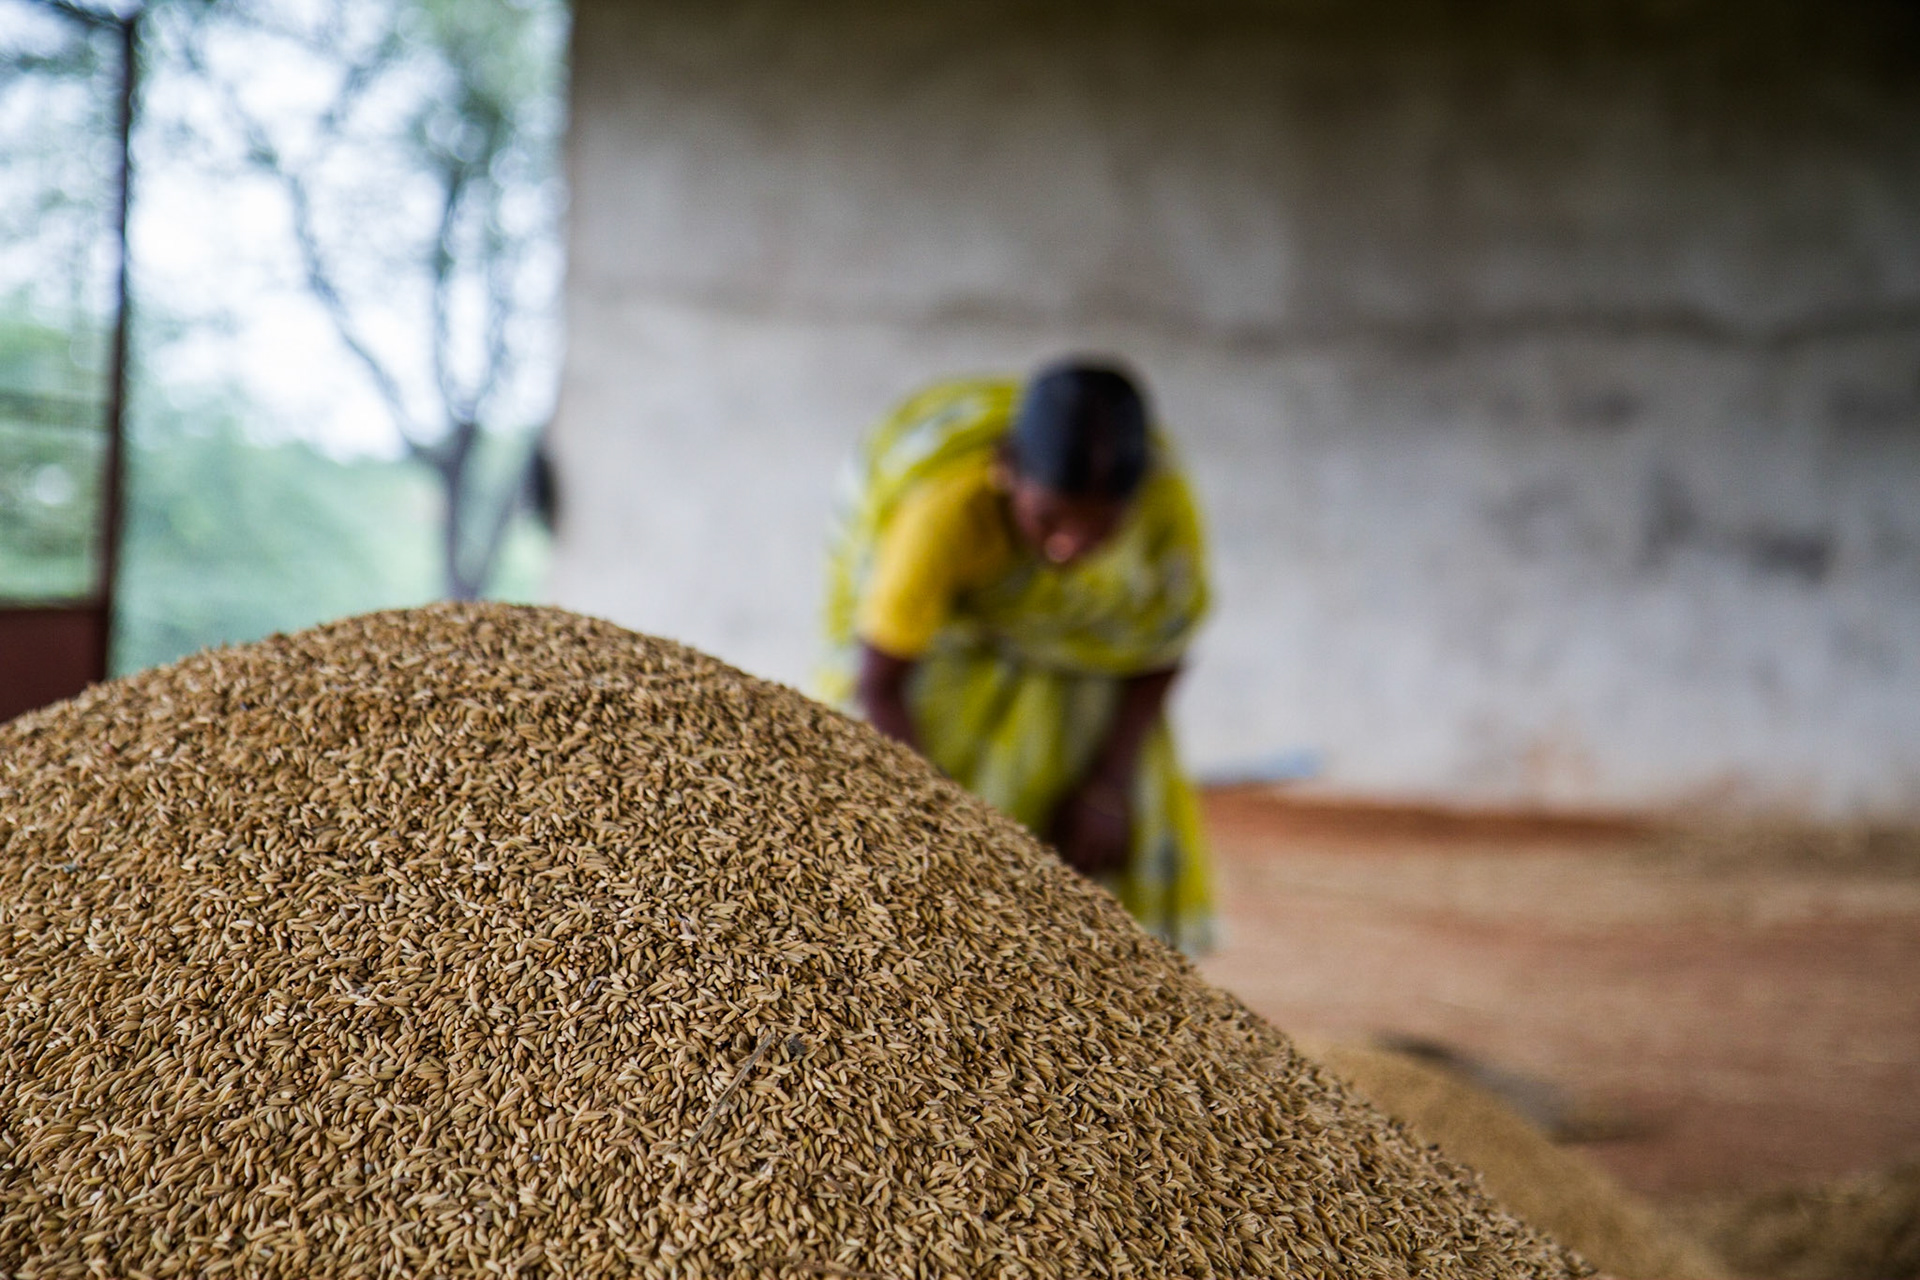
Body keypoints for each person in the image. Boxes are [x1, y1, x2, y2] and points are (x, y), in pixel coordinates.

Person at [818, 359, 1215, 953]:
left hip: (1090, 679)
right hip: (942, 682)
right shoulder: (945, 513)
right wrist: (937, 813)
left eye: (1101, 528)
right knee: (891, 869)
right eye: (1047, 518)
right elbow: (879, 682)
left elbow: (1162, 646)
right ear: (1005, 469)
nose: (1068, 546)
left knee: (1094, 877)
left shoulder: (1164, 511)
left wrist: (1109, 785)